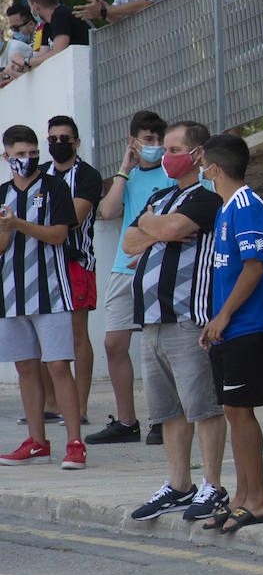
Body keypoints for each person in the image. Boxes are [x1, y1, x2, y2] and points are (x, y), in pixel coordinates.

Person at [124, 121, 228, 520]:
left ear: (198, 154)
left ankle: (213, 485)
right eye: (164, 148)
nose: (166, 156)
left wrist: (155, 227)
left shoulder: (206, 197)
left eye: (174, 148)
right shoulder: (162, 195)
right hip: (151, 321)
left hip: (187, 317)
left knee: (203, 406)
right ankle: (179, 484)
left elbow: (172, 228)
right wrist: (157, 231)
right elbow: (130, 242)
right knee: (168, 411)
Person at [197, 134, 263, 532]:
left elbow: (254, 268)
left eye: (203, 164)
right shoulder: (225, 209)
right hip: (228, 328)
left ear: (214, 168)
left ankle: (257, 500)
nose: (201, 170)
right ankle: (243, 496)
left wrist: (224, 316)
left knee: (242, 412)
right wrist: (215, 321)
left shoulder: (248, 207)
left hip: (251, 326)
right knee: (233, 411)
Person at [0, 125, 86, 469]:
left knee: (58, 365)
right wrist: (6, 232)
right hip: (10, 294)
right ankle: (37, 442)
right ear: (7, 156)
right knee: (25, 367)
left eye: (33, 152)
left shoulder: (54, 187)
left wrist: (19, 224)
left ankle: (75, 443)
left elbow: (58, 236)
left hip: (51, 291)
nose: (28, 159)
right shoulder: (1, 193)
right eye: (20, 154)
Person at [86, 111, 174, 445]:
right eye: (147, 140)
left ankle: (164, 419)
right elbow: (108, 212)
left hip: (156, 266)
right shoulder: (130, 176)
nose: (154, 146)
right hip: (124, 269)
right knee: (114, 343)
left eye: (158, 140)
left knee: (158, 345)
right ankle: (126, 422)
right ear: (133, 141)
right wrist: (124, 167)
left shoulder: (171, 174)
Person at [38, 116, 102, 426]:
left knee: (77, 334)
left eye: (65, 138)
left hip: (76, 261)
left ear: (76, 142)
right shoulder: (39, 175)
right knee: (42, 335)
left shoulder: (88, 176)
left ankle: (80, 406)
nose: (58, 144)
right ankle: (51, 403)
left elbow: (72, 219)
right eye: (53, 139)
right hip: (42, 263)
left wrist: (32, 223)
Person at [10, 0, 89, 77]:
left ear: (35, 7)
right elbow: (41, 59)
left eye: (30, 7)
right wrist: (20, 65)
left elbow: (58, 52)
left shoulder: (60, 14)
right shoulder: (47, 25)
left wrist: (28, 61)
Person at [0, 3, 35, 87]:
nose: (14, 32)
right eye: (12, 29)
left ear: (1, 32)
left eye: (16, 28)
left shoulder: (15, 48)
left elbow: (26, 81)